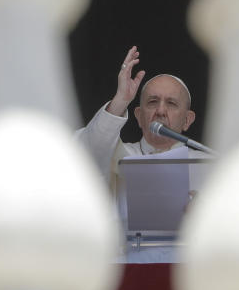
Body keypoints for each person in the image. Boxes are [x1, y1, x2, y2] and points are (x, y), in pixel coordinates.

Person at [76, 46, 199, 186]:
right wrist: (121, 100)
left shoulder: (209, 164)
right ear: (139, 116)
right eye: (153, 102)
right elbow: (87, 152)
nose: (160, 111)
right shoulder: (118, 155)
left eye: (171, 103)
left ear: (187, 120)